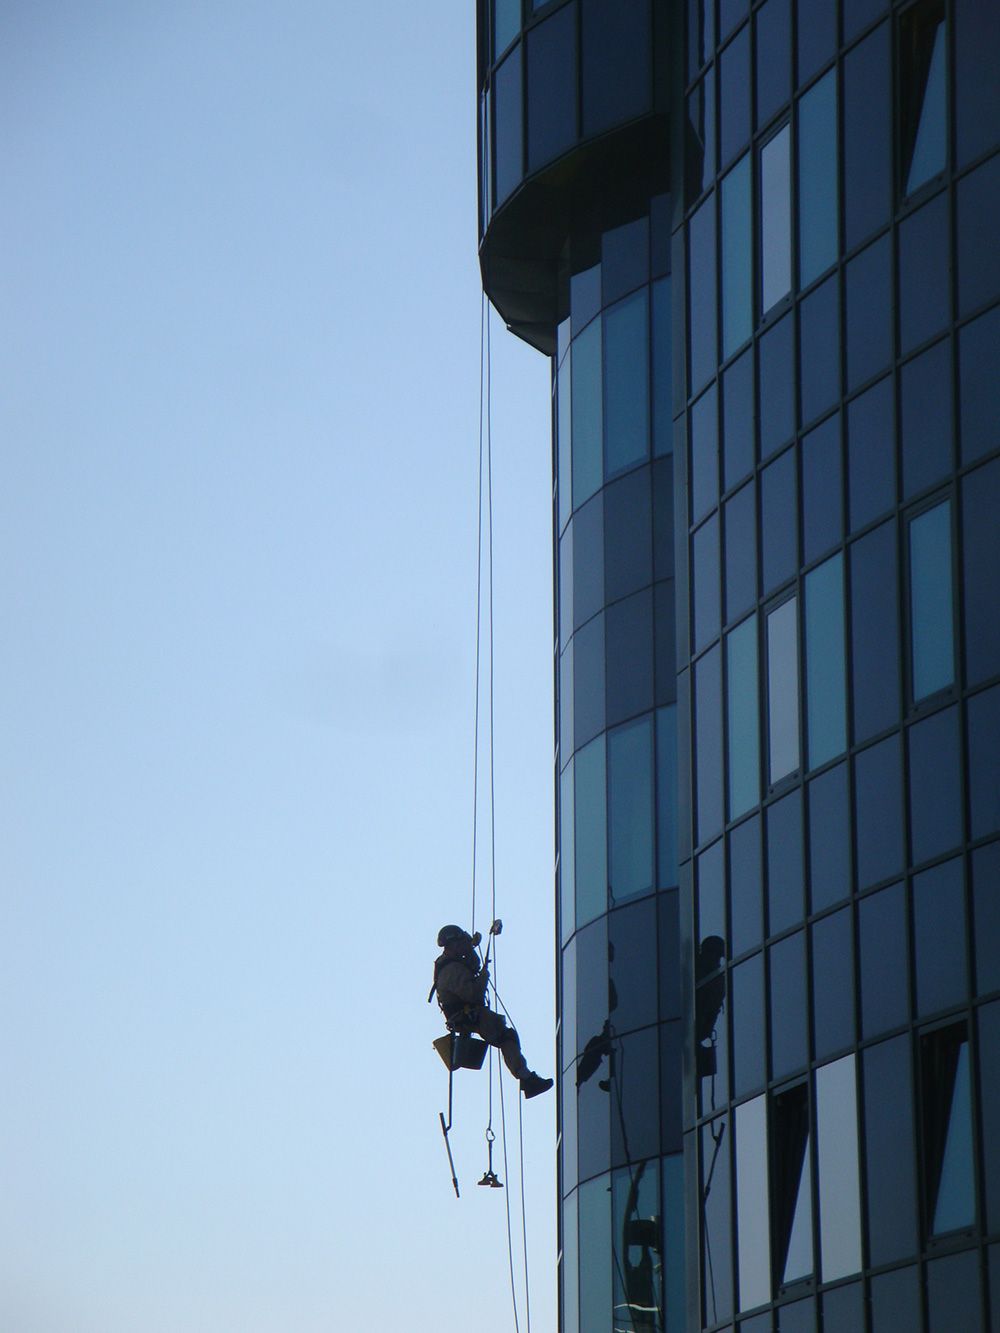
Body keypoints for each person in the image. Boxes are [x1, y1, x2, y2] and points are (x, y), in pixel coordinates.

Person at [432, 925, 552, 1099]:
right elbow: (473, 993)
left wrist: (471, 948)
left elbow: (472, 964)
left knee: (506, 1036)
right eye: (461, 943)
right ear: (454, 944)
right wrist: (483, 976)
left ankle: (526, 1078)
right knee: (506, 1036)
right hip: (467, 1014)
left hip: (469, 1013)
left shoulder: (454, 963)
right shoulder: (451, 969)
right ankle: (526, 1078)